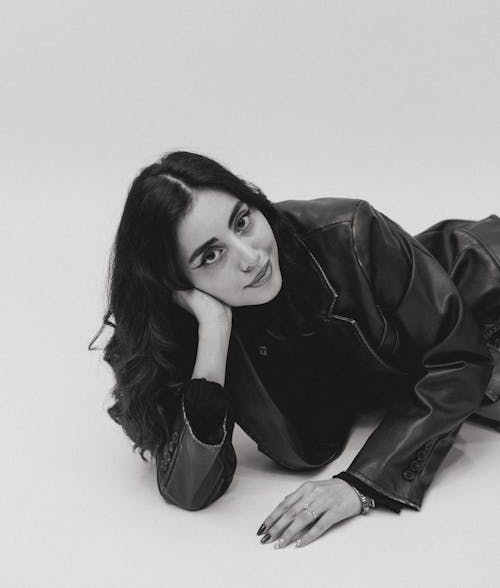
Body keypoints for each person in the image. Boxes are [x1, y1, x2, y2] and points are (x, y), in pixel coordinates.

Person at [89, 150, 500, 550]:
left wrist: (359, 485)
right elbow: (187, 490)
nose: (250, 257)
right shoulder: (201, 322)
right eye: (211, 255)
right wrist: (214, 332)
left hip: (486, 291)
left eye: (243, 221)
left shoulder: (350, 232)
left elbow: (459, 358)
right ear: (176, 284)